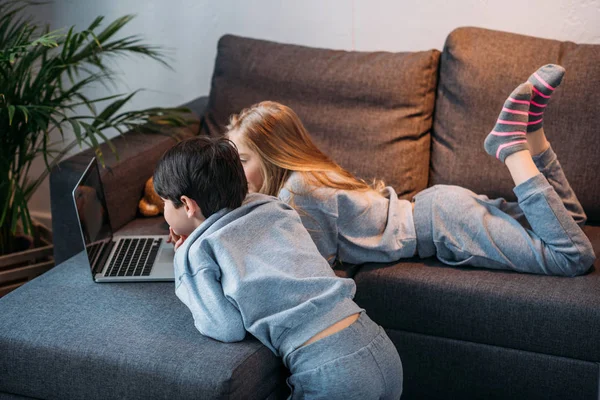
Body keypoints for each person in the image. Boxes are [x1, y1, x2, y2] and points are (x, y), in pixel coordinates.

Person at [226, 64, 596, 276]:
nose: (236, 170)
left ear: (273, 154)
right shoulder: (311, 174)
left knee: (572, 256)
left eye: (242, 159)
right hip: (440, 206)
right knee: (570, 222)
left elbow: (314, 270)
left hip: (445, 224)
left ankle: (511, 147)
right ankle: (532, 130)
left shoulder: (297, 193)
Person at [153, 137, 403, 399]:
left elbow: (225, 328)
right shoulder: (273, 206)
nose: (164, 210)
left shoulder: (198, 251)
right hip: (377, 342)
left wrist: (182, 260)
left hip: (330, 371)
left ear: (188, 205)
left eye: (165, 203)